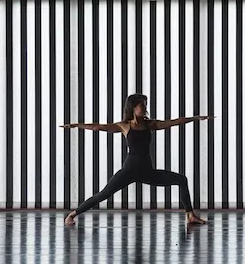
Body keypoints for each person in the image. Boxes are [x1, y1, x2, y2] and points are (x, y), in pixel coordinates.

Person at [62, 94, 210, 226]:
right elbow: (99, 127)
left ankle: (190, 215)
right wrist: (76, 125)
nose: (145, 108)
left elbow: (172, 122)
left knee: (181, 180)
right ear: (133, 107)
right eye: (142, 105)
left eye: (145, 105)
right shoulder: (125, 126)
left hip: (147, 171)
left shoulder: (149, 124)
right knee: (103, 195)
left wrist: (194, 118)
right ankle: (72, 214)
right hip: (129, 171)